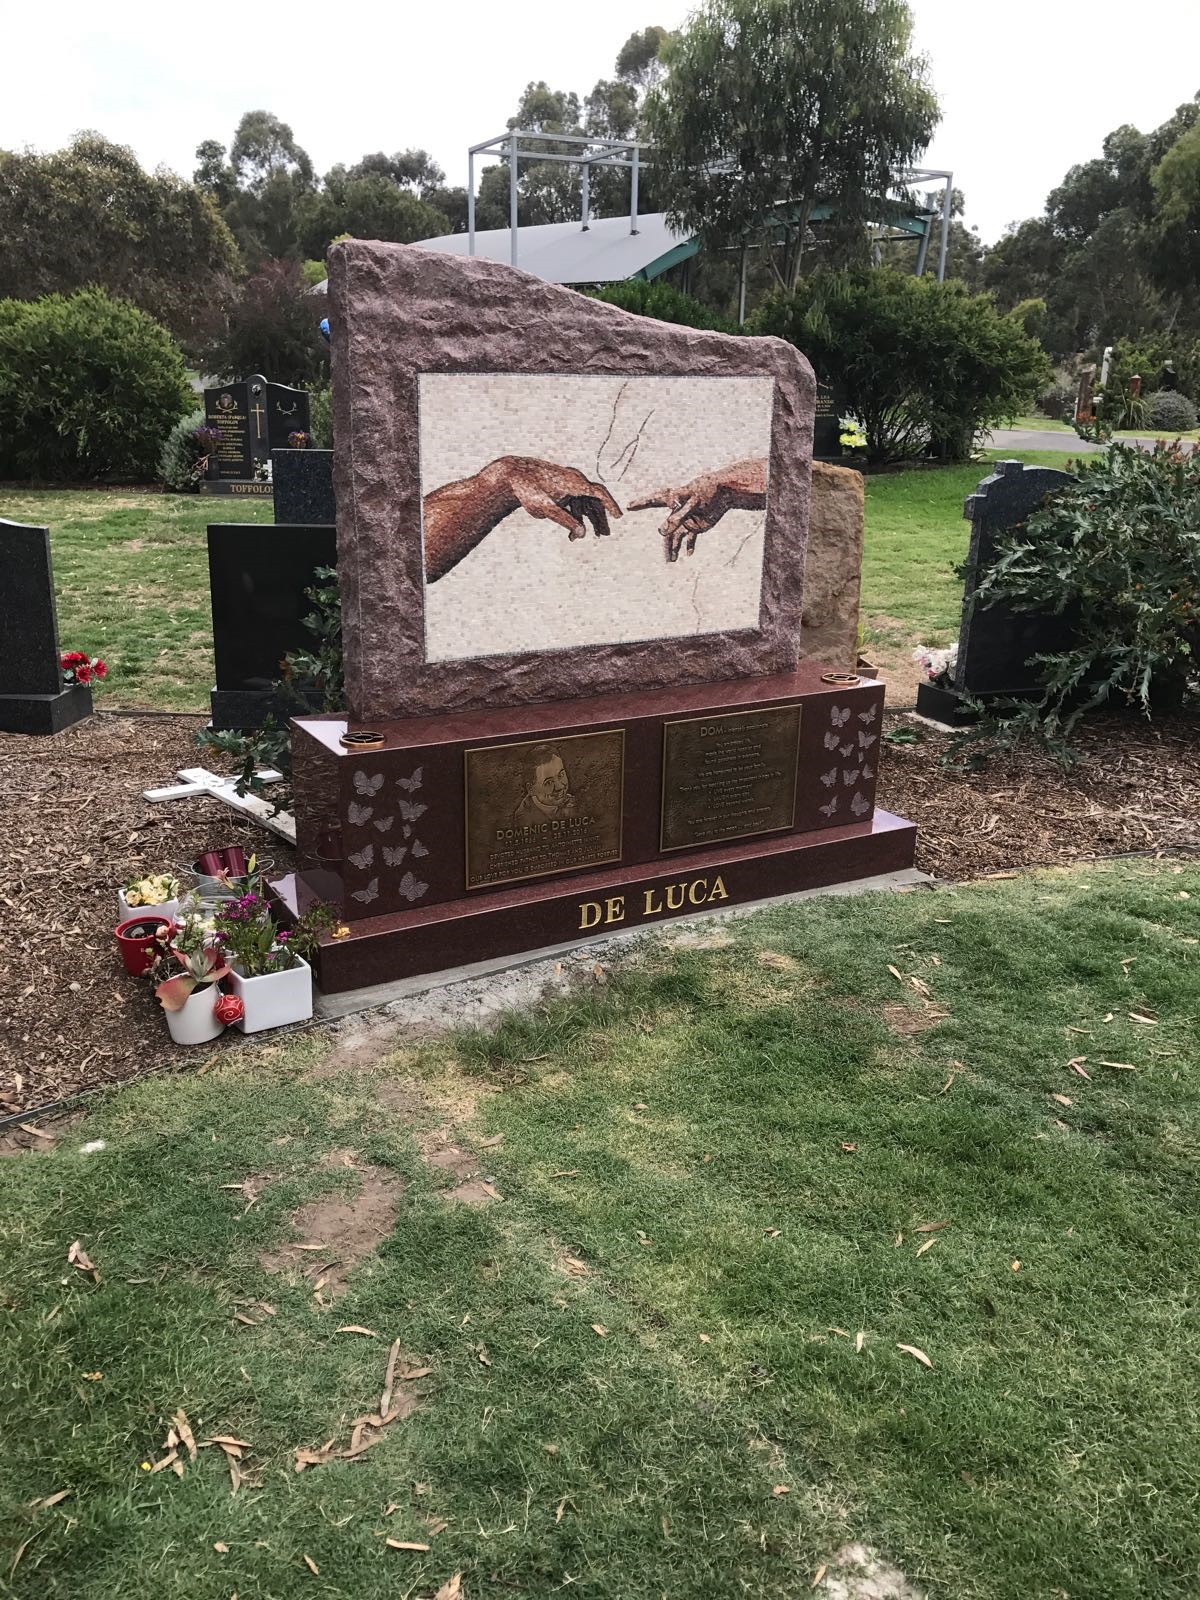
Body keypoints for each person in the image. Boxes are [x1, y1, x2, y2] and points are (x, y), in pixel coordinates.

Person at [513, 743, 576, 826]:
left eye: (561, 775)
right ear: (531, 789)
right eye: (548, 782)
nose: (559, 787)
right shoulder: (524, 821)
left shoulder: (574, 802)